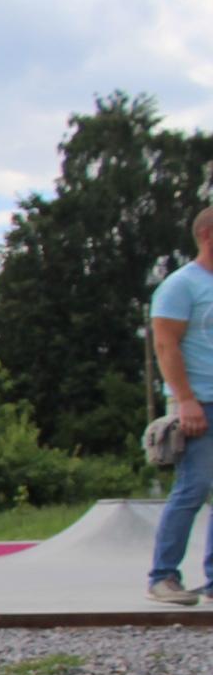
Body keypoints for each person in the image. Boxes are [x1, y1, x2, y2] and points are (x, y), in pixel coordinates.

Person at [146, 207, 213, 605]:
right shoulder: (181, 286)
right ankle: (163, 576)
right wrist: (185, 400)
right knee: (193, 488)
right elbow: (164, 345)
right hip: (199, 400)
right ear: (207, 235)